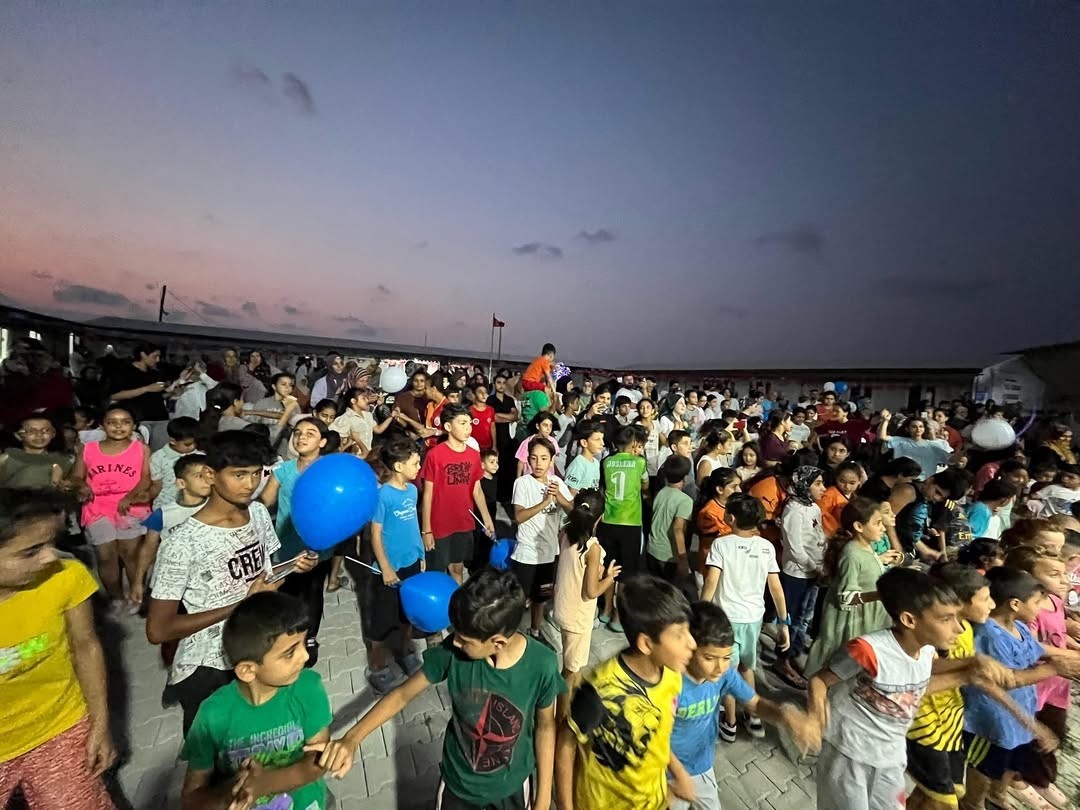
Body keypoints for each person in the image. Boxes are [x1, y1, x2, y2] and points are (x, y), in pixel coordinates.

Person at [310, 569, 566, 810]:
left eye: (465, 640)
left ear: (497, 642)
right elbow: (401, 695)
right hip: (459, 787)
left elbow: (545, 727)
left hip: (512, 789)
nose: (454, 641)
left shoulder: (541, 664)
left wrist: (543, 798)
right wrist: (351, 739)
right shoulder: (452, 653)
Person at [146, 430, 318, 734]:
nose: (250, 484)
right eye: (239, 475)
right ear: (210, 474)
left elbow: (264, 574)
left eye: (257, 474)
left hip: (257, 655)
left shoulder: (258, 513)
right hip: (210, 669)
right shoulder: (182, 542)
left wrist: (293, 566)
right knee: (213, 767)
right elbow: (158, 630)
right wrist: (241, 605)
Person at [808, 568, 977, 810]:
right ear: (909, 620)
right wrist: (814, 719)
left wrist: (968, 672)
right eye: (946, 619)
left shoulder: (927, 650)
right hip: (849, 753)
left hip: (891, 755)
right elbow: (820, 681)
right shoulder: (867, 650)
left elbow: (914, 686)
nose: (959, 629)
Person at [0, 489, 116, 809]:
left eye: (52, 544)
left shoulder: (64, 578)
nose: (51, 557)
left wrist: (100, 724)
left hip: (59, 728)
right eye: (30, 552)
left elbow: (86, 645)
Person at [555, 574, 696, 810]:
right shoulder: (599, 690)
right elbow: (565, 744)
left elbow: (657, 736)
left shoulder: (672, 674)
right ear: (647, 644)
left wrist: (678, 772)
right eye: (679, 635)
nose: (691, 643)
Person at [180, 591, 331, 810]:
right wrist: (232, 792)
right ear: (248, 670)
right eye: (290, 652)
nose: (305, 656)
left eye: (303, 644)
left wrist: (264, 783)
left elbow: (318, 761)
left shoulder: (308, 687)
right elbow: (191, 799)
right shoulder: (213, 714)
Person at [669, 602, 819, 810]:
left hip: (702, 765)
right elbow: (654, 736)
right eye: (709, 658)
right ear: (689, 647)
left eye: (727, 657)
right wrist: (677, 773)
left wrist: (785, 716)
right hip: (668, 772)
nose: (720, 667)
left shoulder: (725, 673)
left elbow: (755, 703)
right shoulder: (670, 684)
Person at [700, 493, 790, 741]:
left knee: (727, 672)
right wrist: (784, 623)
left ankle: (729, 723)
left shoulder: (721, 544)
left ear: (730, 517)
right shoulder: (766, 547)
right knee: (747, 667)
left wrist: (700, 612)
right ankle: (754, 716)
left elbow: (711, 581)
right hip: (753, 619)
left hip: (725, 619)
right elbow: (776, 588)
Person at [258, 417, 335, 665]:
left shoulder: (329, 470)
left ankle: (309, 638)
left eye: (310, 433)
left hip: (318, 546)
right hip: (286, 545)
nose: (301, 437)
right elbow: (265, 502)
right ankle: (288, 638)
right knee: (288, 594)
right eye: (298, 433)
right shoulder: (284, 470)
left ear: (322, 441)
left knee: (312, 594)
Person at [804, 498, 897, 679]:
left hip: (866, 619)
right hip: (851, 623)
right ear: (859, 526)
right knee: (840, 669)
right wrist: (879, 595)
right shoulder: (852, 554)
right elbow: (846, 597)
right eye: (877, 523)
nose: (883, 528)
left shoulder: (867, 548)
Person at [68, 405, 152, 607]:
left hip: (130, 507)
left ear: (133, 426)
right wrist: (81, 485)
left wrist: (130, 497)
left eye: (125, 422)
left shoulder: (141, 449)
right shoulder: (88, 449)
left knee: (130, 554)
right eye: (112, 422)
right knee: (105, 556)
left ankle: (135, 593)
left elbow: (146, 478)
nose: (118, 427)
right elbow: (76, 476)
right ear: (103, 425)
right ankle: (116, 597)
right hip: (96, 507)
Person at [420, 403, 495, 584]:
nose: (468, 428)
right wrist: (426, 529)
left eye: (469, 423)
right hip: (439, 525)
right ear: (447, 427)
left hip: (463, 522)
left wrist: (487, 518)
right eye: (462, 423)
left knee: (457, 567)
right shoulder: (435, 455)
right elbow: (427, 495)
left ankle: (457, 606)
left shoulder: (473, 455)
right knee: (436, 570)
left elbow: (476, 489)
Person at [553, 490, 620, 695]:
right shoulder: (593, 549)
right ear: (600, 517)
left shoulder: (565, 534)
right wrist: (609, 577)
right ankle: (558, 712)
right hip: (578, 617)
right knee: (571, 671)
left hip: (562, 606)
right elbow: (591, 592)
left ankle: (570, 699)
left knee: (574, 664)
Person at [132, 453, 213, 609]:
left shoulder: (218, 508)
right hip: (171, 582)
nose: (206, 480)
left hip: (204, 583)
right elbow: (148, 549)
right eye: (199, 476)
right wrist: (137, 581)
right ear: (181, 483)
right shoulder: (163, 514)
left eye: (209, 475)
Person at [512, 436, 573, 637]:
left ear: (551, 460)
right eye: (534, 458)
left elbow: (574, 511)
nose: (538, 464)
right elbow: (519, 516)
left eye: (544, 458)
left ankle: (535, 631)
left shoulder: (557, 482)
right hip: (526, 554)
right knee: (519, 599)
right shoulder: (522, 483)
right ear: (528, 460)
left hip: (548, 554)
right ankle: (511, 635)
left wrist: (560, 498)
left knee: (541, 598)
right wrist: (546, 502)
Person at [773, 466, 827, 689]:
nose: (823, 488)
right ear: (804, 484)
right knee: (791, 618)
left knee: (805, 617)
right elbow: (794, 549)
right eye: (818, 484)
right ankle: (782, 659)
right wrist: (814, 568)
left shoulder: (813, 507)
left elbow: (819, 535)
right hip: (798, 573)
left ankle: (793, 652)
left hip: (815, 571)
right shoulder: (794, 512)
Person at [598, 426, 650, 632]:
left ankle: (606, 610)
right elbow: (645, 485)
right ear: (633, 444)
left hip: (609, 521)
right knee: (627, 571)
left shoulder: (606, 462)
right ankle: (619, 617)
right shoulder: (639, 463)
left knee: (609, 566)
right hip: (630, 523)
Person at [106, 343, 170, 450]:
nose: (157, 360)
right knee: (137, 451)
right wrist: (146, 388)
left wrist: (172, 391)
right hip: (139, 417)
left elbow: (158, 396)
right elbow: (115, 395)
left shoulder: (154, 373)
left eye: (159, 357)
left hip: (160, 417)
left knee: (159, 452)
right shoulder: (124, 371)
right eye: (155, 356)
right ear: (143, 355)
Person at [645, 456, 695, 591]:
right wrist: (683, 560)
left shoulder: (661, 493)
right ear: (685, 478)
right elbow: (678, 529)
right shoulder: (685, 501)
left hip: (652, 549)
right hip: (668, 555)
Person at [0, 415, 72, 489]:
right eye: (31, 431)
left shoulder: (64, 460)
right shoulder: (7, 459)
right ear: (18, 435)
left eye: (45, 430)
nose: (39, 434)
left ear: (53, 433)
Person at [878, 412, 953, 481]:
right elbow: (882, 436)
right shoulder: (901, 441)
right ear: (907, 429)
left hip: (924, 480)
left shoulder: (932, 444)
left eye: (921, 426)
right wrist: (885, 420)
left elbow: (949, 459)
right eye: (914, 427)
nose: (918, 429)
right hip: (904, 479)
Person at [148, 416, 200, 512]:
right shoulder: (158, 458)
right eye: (187, 444)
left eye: (195, 443)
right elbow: (156, 486)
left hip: (194, 506)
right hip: (166, 505)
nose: (192, 447)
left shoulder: (200, 457)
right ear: (173, 441)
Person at [694, 467, 740, 574]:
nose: (739, 490)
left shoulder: (733, 506)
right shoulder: (708, 513)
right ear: (720, 489)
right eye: (734, 487)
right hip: (712, 567)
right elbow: (712, 543)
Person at [520, 343, 558, 424]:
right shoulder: (544, 362)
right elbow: (548, 377)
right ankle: (548, 405)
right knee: (546, 389)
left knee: (542, 387)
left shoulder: (538, 360)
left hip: (525, 383)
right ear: (551, 355)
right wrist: (554, 391)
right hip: (530, 382)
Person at [563, 420, 603, 497]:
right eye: (597, 440)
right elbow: (570, 494)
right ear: (584, 442)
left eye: (602, 439)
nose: (602, 443)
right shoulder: (578, 465)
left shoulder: (596, 462)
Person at [469, 381, 497, 452]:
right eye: (480, 392)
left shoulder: (491, 409)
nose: (483, 394)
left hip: (488, 446)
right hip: (472, 446)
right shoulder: (470, 410)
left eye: (485, 392)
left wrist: (494, 446)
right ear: (474, 394)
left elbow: (493, 428)